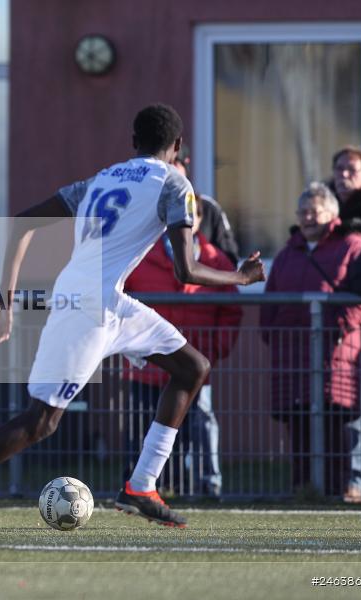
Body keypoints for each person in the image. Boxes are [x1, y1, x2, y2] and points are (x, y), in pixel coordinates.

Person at [0, 104, 265, 546]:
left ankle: (141, 486)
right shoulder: (176, 183)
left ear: (133, 142)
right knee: (41, 422)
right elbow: (187, 270)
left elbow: (22, 223)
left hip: (105, 300)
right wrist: (241, 277)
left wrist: (5, 300)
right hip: (90, 306)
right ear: (178, 146)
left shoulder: (104, 177)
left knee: (192, 368)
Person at [123, 195, 242, 498]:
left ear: (201, 220)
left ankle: (207, 486)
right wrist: (130, 344)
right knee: (142, 428)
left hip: (193, 365)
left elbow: (231, 310)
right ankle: (145, 486)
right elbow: (119, 301)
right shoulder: (140, 255)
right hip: (147, 365)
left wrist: (215, 350)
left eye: (191, 215)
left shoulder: (217, 260)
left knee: (200, 427)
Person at [260, 182, 361, 498]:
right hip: (292, 354)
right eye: (303, 211)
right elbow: (271, 300)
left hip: (336, 353)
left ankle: (339, 491)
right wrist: (272, 333)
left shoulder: (351, 245)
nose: (308, 218)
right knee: (299, 426)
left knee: (336, 427)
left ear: (331, 214)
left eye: (315, 211)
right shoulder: (286, 253)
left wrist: (341, 327)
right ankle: (303, 490)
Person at [329, 146, 361, 504]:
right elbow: (358, 276)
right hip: (359, 327)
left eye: (351, 169)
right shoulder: (330, 212)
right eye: (338, 169)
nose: (343, 176)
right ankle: (349, 482)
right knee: (353, 408)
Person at [174, 148, 240, 265]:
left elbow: (230, 260)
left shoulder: (209, 209)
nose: (170, 170)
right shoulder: (150, 208)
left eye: (175, 163)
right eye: (166, 164)